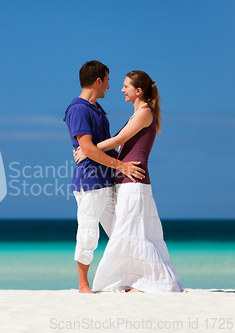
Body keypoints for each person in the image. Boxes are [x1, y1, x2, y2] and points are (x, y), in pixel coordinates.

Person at [74, 70, 184, 293]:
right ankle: (136, 282)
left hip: (134, 181)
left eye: (126, 86)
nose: (121, 89)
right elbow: (119, 143)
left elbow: (119, 140)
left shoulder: (145, 113)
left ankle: (150, 282)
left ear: (138, 90)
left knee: (132, 233)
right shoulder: (137, 114)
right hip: (126, 181)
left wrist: (88, 151)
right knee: (131, 232)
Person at [63, 61, 145, 294]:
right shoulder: (78, 109)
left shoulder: (97, 109)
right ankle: (83, 285)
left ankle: (127, 281)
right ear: (98, 81)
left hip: (107, 180)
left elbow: (101, 146)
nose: (110, 87)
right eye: (108, 81)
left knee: (120, 231)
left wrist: (126, 160)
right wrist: (122, 166)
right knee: (88, 233)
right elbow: (87, 149)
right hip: (90, 182)